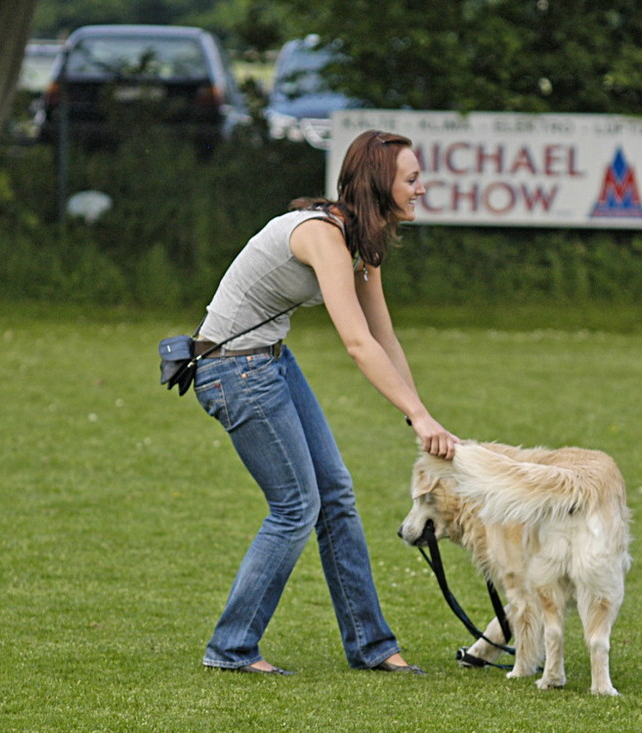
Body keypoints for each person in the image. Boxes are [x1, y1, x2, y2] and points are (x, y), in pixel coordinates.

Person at [193, 129, 460, 675]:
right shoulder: (321, 235)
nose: (422, 188)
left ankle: (373, 647)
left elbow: (385, 339)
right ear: (381, 183)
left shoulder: (363, 244)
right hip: (231, 369)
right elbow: (358, 343)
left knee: (335, 494)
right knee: (296, 509)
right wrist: (417, 415)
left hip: (267, 361)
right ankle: (231, 647)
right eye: (411, 179)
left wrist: (421, 415)